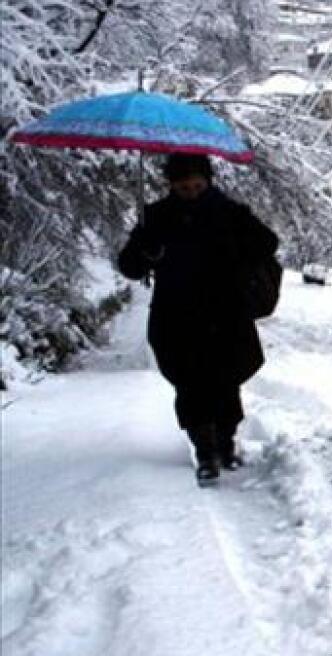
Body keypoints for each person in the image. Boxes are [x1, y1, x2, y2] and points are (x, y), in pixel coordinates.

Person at [118, 154, 279, 485]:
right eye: (183, 186)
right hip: (177, 316)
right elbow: (130, 266)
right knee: (190, 384)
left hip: (226, 313)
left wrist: (238, 249)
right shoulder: (157, 218)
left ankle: (225, 442)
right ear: (171, 185)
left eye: (197, 185)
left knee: (225, 382)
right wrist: (147, 249)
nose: (191, 192)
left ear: (208, 182)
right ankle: (205, 452)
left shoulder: (231, 212)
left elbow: (267, 243)